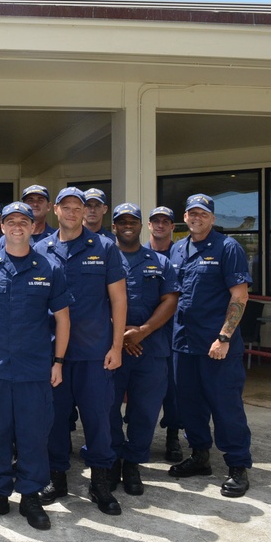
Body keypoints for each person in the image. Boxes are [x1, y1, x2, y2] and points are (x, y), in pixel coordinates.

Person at [0, 201, 72, 530]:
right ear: (2, 226)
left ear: (31, 225)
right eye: (10, 221)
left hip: (35, 369)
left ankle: (30, 496)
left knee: (34, 435)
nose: (16, 227)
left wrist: (58, 362)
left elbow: (64, 320)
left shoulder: (50, 267)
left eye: (23, 221)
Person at [35, 187, 127, 516]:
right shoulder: (40, 248)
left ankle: (100, 483)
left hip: (94, 353)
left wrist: (117, 346)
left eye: (80, 207)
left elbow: (118, 299)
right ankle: (56, 478)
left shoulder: (104, 247)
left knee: (98, 419)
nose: (74, 212)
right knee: (54, 420)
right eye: (67, 207)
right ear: (55, 210)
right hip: (52, 355)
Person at [168, 194, 253, 497]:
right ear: (186, 217)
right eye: (192, 213)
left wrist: (225, 337)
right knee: (189, 404)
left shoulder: (227, 248)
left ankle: (238, 466)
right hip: (184, 343)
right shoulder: (178, 249)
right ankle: (200, 456)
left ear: (212, 218)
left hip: (217, 345)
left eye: (203, 214)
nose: (196, 218)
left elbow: (239, 296)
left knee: (225, 406)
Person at [109, 203, 178, 496]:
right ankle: (111, 460)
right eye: (121, 221)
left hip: (151, 349)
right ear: (114, 226)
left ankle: (133, 464)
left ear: (141, 226)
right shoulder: (103, 258)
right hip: (111, 349)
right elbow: (91, 301)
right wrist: (123, 336)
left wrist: (143, 332)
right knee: (107, 408)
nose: (127, 225)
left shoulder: (160, 262)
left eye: (132, 221)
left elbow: (171, 300)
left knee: (145, 412)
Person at [145, 205, 182, 462]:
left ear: (172, 227)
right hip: (145, 333)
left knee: (174, 389)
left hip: (175, 331)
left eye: (165, 222)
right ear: (149, 225)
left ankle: (173, 437)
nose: (160, 225)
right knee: (143, 390)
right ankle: (137, 440)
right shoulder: (139, 254)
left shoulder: (181, 254)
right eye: (155, 221)